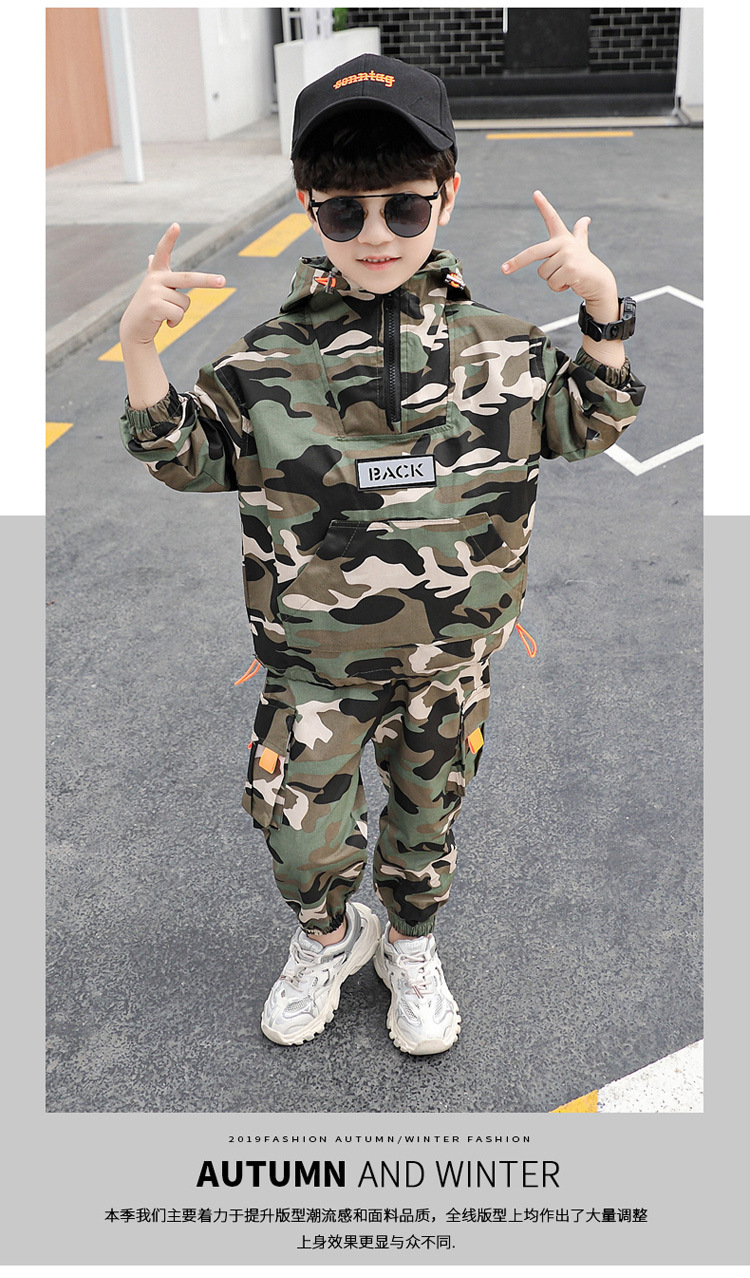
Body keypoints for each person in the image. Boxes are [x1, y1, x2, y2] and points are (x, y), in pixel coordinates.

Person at [118, 54, 645, 1056]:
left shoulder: (507, 349)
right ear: (308, 208)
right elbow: (183, 455)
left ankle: (410, 942)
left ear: (447, 196)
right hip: (313, 668)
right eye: (344, 211)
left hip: (452, 663)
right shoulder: (262, 363)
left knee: (426, 819)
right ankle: (329, 937)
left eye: (404, 208)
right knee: (296, 828)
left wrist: (603, 310)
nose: (376, 235)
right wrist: (139, 348)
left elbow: (590, 421)